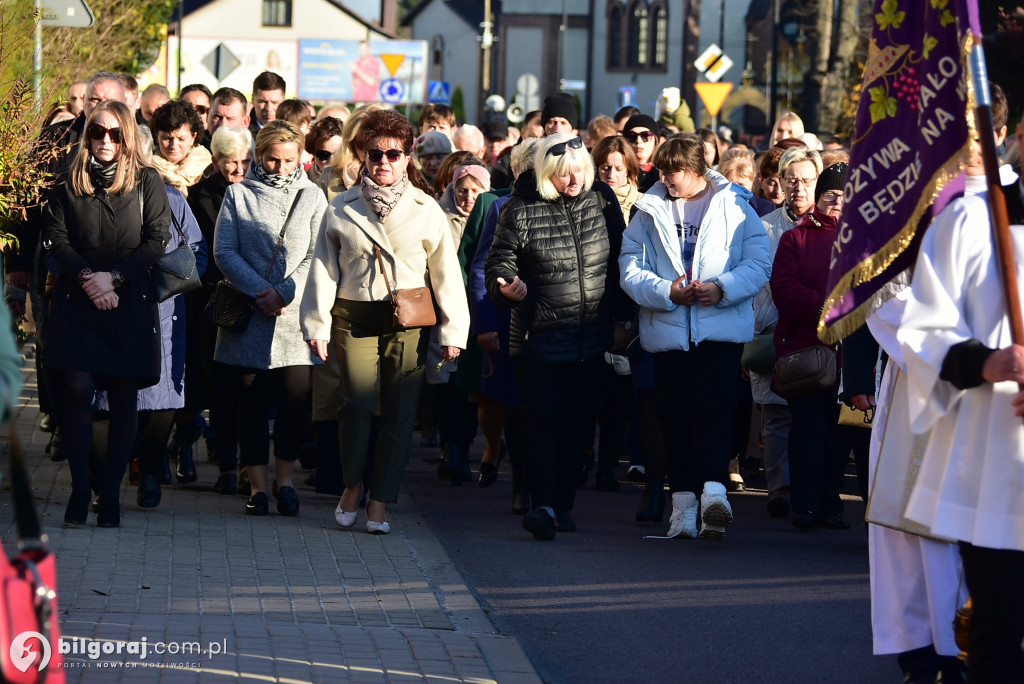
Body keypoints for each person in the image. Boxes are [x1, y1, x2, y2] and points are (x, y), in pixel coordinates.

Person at [897, 100, 1024, 683]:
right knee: (998, 628)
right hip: (995, 465)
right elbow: (924, 328)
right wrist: (987, 361)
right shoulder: (970, 220)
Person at [302, 108, 470, 535]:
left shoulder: (426, 208)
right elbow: (323, 268)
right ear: (361, 154)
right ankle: (353, 485)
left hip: (408, 318)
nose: (383, 162)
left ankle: (381, 500)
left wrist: (453, 332)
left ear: (407, 156)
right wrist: (316, 326)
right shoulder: (340, 206)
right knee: (355, 405)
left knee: (399, 413)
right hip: (354, 313)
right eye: (375, 153)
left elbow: (446, 273)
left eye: (394, 154)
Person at [618, 134, 770, 541]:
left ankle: (715, 495)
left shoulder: (735, 206)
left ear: (697, 170)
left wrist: (723, 286)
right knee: (673, 416)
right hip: (668, 331)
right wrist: (667, 291)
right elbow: (630, 267)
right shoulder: (649, 210)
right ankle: (682, 506)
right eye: (662, 171)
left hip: (718, 329)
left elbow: (758, 261)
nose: (666, 178)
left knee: (714, 411)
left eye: (674, 171)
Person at [485, 132, 628, 540]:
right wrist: (506, 286)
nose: (574, 181)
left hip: (590, 337)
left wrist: (623, 320)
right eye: (565, 174)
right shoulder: (519, 208)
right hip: (538, 340)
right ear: (548, 173)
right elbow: (498, 264)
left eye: (580, 171)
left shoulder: (602, 200)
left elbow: (620, 260)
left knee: (578, 428)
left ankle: (564, 504)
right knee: (541, 426)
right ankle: (543, 504)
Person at [43, 100, 171, 528]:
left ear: (128, 137)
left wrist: (113, 278)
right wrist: (87, 279)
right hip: (78, 303)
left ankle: (111, 494)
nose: (105, 141)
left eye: (115, 134)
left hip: (127, 303)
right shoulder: (68, 179)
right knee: (76, 390)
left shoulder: (147, 180)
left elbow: (156, 240)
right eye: (98, 131)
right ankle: (81, 490)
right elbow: (55, 238)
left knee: (122, 397)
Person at [213, 119, 327, 517]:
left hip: (294, 320)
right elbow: (224, 252)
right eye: (272, 160)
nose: (280, 168)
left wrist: (285, 291)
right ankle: (258, 488)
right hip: (249, 316)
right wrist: (261, 291)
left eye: (288, 160)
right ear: (259, 156)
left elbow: (317, 254)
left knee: (296, 404)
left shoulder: (313, 197)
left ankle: (285, 481)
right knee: (250, 406)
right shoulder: (238, 194)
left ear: (301, 159)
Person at [769, 161, 849, 531]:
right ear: (818, 199)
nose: (837, 200)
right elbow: (784, 289)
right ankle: (805, 505)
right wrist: (823, 307)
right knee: (808, 431)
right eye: (830, 194)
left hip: (850, 355)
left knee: (840, 437)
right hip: (808, 349)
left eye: (844, 194)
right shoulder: (796, 237)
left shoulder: (865, 240)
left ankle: (831, 504)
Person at [464, 139, 540, 507]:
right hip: (510, 321)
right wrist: (486, 322)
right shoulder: (500, 206)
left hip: (556, 323)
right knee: (511, 404)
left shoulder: (574, 205)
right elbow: (481, 266)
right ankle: (520, 486)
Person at [182, 125, 253, 495]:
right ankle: (228, 465)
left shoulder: (259, 191)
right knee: (220, 387)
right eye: (230, 161)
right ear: (216, 160)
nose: (238, 169)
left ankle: (250, 466)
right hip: (212, 301)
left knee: (250, 388)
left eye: (244, 161)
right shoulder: (199, 197)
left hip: (255, 300)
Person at [149, 100, 213, 196]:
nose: (174, 146)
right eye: (167, 138)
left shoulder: (209, 169)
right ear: (157, 136)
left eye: (181, 139)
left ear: (193, 137)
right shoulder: (144, 167)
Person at [591, 135, 640, 224]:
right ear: (596, 168)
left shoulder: (642, 202)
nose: (611, 175)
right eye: (606, 168)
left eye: (619, 169)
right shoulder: (586, 201)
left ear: (628, 170)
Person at [622, 113, 661, 192]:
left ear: (655, 140)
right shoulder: (617, 171)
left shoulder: (664, 174)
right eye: (632, 135)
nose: (638, 141)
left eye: (645, 135)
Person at [304, 116, 345, 184]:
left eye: (338, 153)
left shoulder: (358, 179)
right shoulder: (303, 181)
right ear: (313, 152)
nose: (332, 161)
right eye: (323, 155)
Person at [249, 71, 286, 138]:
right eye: (263, 102)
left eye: (274, 102)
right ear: (253, 99)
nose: (268, 108)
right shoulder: (242, 134)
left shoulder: (294, 132)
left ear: (283, 101)